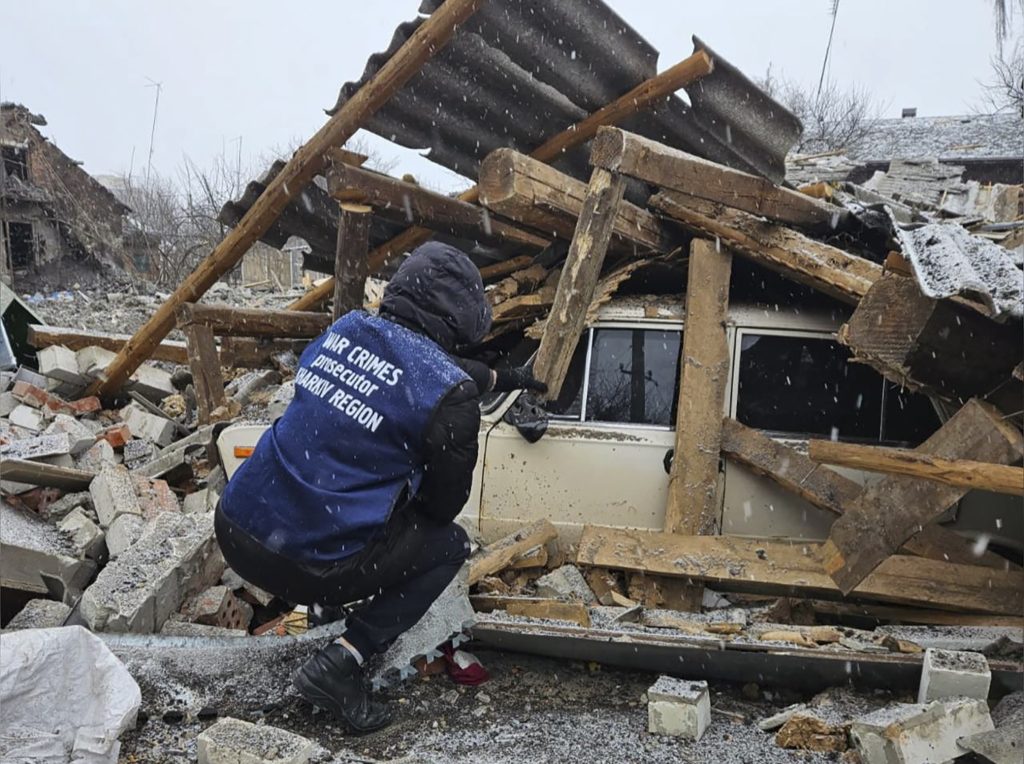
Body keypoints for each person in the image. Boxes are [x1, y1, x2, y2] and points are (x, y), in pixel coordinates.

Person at [214, 242, 545, 733]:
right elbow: (441, 504)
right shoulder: (449, 398)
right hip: (310, 562)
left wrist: (501, 377)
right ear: (463, 320)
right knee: (448, 544)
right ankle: (342, 662)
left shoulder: (346, 329)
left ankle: (325, 613)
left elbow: (410, 367)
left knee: (345, 495)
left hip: (238, 525)